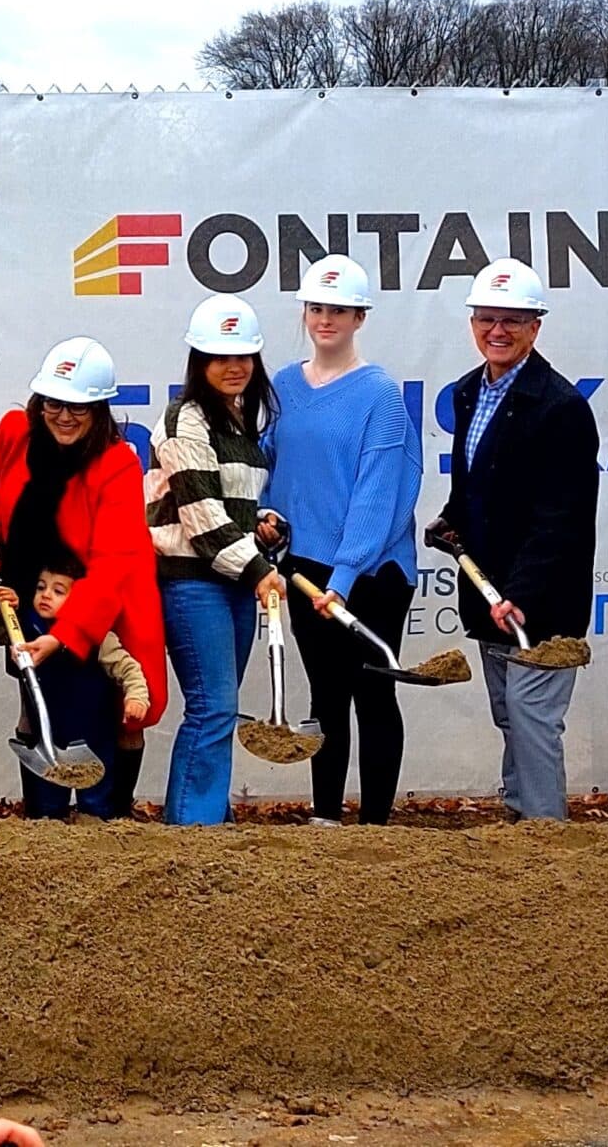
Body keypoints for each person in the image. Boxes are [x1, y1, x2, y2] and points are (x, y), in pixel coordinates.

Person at [0, 337, 167, 819]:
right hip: (29, 597)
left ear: (100, 409)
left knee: (113, 712)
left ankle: (109, 820)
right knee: (35, 704)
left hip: (103, 607)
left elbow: (112, 564)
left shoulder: (118, 464)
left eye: (79, 406)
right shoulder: (16, 431)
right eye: (56, 403)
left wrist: (66, 636)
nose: (64, 415)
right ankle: (45, 818)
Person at [433, 261, 598, 823]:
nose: (496, 331)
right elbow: (478, 486)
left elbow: (562, 517)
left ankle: (546, 837)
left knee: (533, 719)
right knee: (510, 714)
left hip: (539, 603)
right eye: (486, 319)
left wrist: (520, 592)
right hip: (490, 593)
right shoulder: (466, 394)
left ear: (535, 327)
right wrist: (453, 520)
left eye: (512, 320)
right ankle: (521, 819)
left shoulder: (562, 409)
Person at [271, 254, 421, 827]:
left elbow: (379, 493)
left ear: (360, 317)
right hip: (306, 567)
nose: (325, 319)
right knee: (326, 696)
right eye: (316, 308)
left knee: (373, 693)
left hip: (371, 574)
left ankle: (376, 825)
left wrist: (345, 578)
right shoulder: (283, 384)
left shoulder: (380, 394)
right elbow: (273, 465)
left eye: (338, 310)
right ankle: (326, 816)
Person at [148, 295, 285, 826]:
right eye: (219, 356)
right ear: (198, 362)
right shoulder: (185, 419)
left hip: (230, 583)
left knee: (218, 711)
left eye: (245, 356)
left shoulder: (239, 424)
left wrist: (265, 526)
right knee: (212, 708)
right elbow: (201, 513)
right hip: (193, 583)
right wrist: (259, 570)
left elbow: (229, 508)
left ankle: (208, 818)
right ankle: (192, 830)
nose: (235, 367)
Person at [0, 549, 153, 815]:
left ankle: (95, 827)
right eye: (41, 587)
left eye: (58, 591)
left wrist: (137, 697)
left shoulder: (96, 636)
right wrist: (8, 605)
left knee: (96, 801)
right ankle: (48, 822)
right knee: (46, 804)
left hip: (94, 735)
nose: (46, 595)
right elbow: (0, 631)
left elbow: (128, 668)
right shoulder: (27, 626)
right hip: (48, 736)